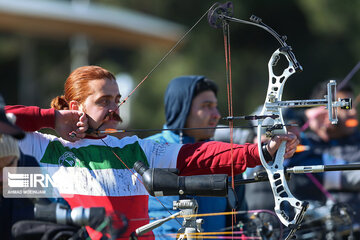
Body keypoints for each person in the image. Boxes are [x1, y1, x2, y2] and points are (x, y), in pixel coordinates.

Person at [5, 66, 299, 239]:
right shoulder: (44, 147)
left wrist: (262, 150)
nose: (113, 109)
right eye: (103, 101)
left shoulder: (135, 148)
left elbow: (201, 156)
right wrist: (50, 118)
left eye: (117, 100)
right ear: (75, 107)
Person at [146, 75, 248, 238]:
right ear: (181, 109)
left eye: (215, 106)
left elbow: (240, 221)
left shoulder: (223, 156)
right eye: (206, 106)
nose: (216, 114)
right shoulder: (148, 150)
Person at [284, 81, 360, 238]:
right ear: (325, 110)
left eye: (351, 104)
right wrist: (304, 116)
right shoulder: (302, 144)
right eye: (345, 106)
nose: (353, 112)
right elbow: (264, 119)